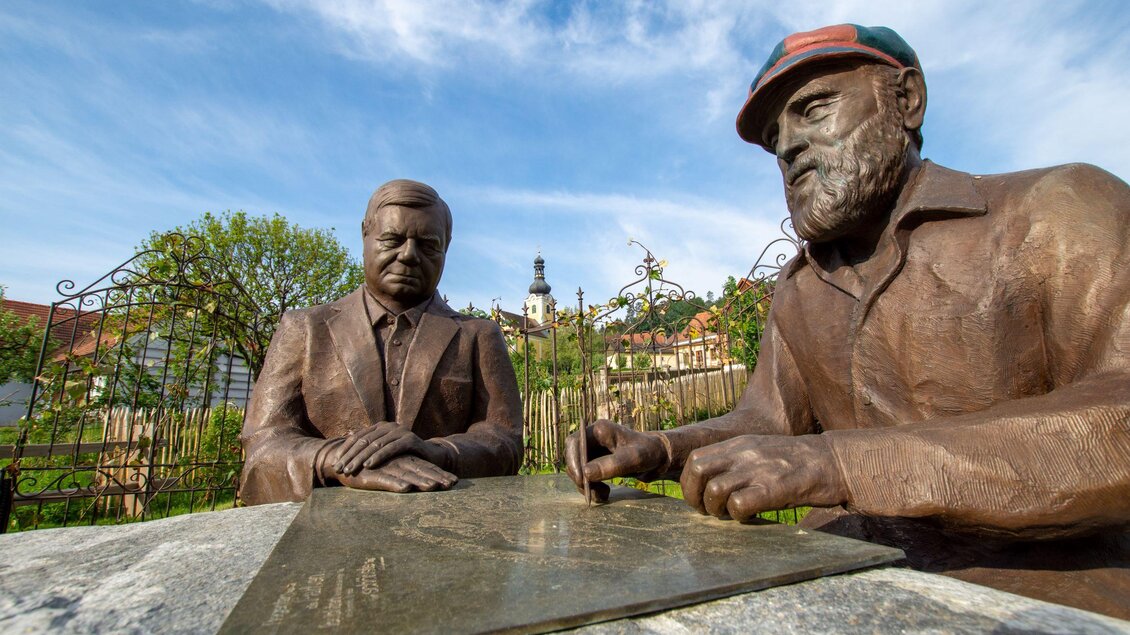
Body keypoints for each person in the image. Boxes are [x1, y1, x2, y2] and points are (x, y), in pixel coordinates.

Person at [567, 24, 1130, 617]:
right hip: (834, 584)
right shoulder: (799, 289)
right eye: (773, 138)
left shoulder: (1058, 209)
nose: (787, 147)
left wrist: (842, 463)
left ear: (906, 99)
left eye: (813, 109)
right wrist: (659, 447)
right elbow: (768, 419)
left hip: (1040, 597)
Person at [240, 179, 522, 505]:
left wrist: (438, 452)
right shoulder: (304, 329)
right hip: (328, 534)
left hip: (442, 526)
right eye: (392, 239)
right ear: (365, 235)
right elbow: (262, 446)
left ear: (447, 247)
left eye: (428, 245)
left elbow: (505, 440)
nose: (409, 255)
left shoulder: (478, 335)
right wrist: (340, 461)